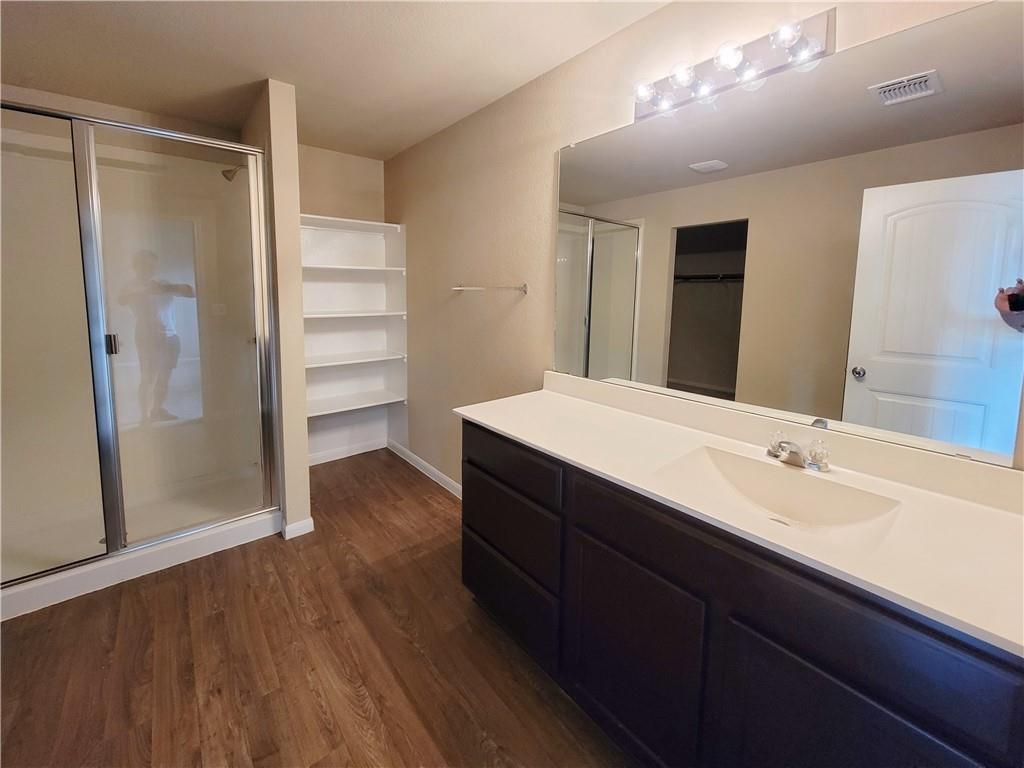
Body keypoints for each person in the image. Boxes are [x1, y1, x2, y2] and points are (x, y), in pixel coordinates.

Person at [118, 249, 196, 422]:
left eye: (152, 264)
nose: (149, 267)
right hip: (147, 338)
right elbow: (121, 300)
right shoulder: (131, 286)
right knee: (148, 377)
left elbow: (192, 292)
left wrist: (165, 288)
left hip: (171, 337)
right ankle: (144, 417)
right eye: (144, 264)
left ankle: (157, 410)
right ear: (136, 266)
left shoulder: (162, 283)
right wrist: (145, 291)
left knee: (164, 376)